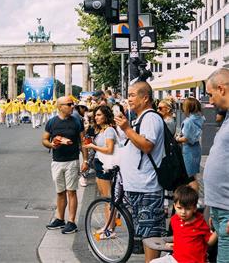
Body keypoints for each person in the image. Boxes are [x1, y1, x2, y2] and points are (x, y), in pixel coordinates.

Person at [114, 81, 166, 262]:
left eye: (132, 95)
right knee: (145, 232)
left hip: (147, 187)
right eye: (128, 95)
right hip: (139, 186)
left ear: (145, 98)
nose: (128, 98)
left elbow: (147, 145)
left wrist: (126, 128)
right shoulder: (141, 118)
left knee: (151, 234)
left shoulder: (151, 118)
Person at [42, 96, 88, 234]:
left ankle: (72, 221)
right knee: (60, 192)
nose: (72, 106)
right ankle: (60, 219)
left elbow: (83, 141)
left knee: (71, 191)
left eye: (72, 104)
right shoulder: (51, 122)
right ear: (60, 106)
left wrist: (85, 160)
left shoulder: (77, 121)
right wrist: (51, 144)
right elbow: (44, 139)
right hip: (57, 161)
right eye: (69, 104)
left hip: (72, 161)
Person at [150, 185, 217, 263]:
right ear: (174, 206)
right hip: (177, 257)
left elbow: (209, 241)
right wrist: (176, 245)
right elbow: (182, 236)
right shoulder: (174, 220)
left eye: (188, 209)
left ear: (194, 208)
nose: (183, 212)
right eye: (179, 208)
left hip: (194, 260)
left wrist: (218, 231)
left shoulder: (199, 222)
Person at [203, 68, 229, 262]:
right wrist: (214, 208)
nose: (210, 101)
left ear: (222, 89)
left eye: (211, 95)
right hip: (221, 207)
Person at [82, 105, 118, 239]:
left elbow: (109, 149)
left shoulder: (108, 130)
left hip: (104, 164)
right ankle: (108, 226)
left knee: (107, 197)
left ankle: (109, 228)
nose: (96, 117)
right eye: (95, 115)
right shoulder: (104, 129)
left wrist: (93, 146)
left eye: (99, 115)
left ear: (106, 116)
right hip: (101, 163)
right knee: (107, 197)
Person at [176, 97, 205, 192]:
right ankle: (193, 199)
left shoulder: (188, 121)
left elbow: (186, 138)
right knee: (193, 176)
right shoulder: (200, 118)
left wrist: (177, 139)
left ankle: (192, 199)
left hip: (188, 150)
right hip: (196, 149)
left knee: (189, 178)